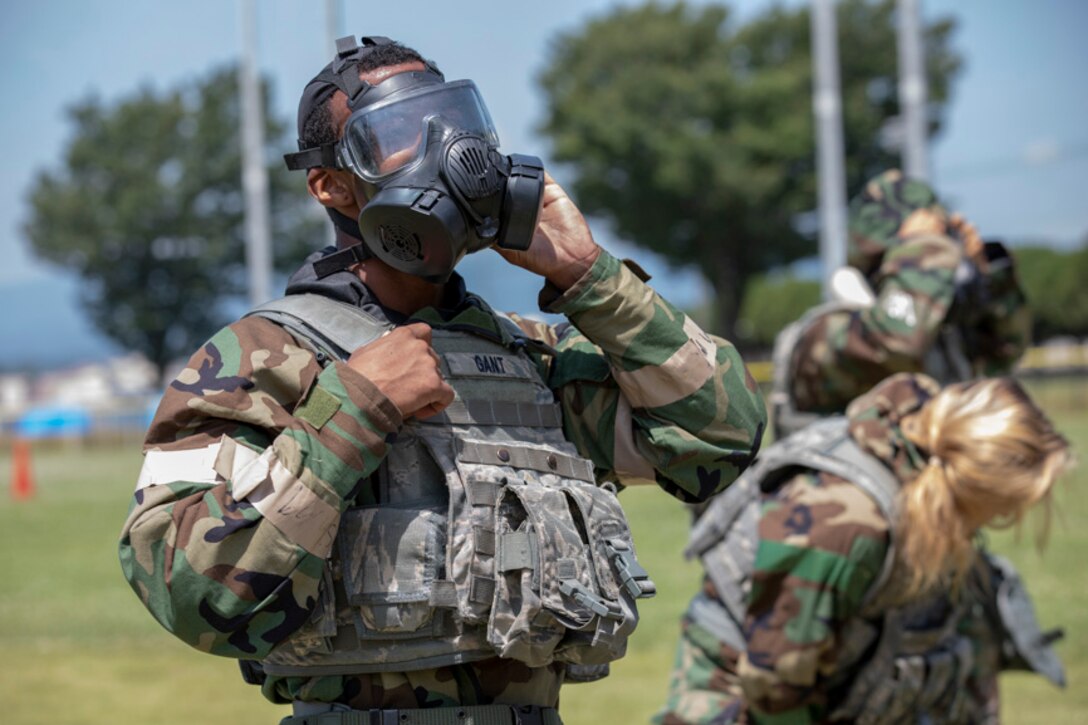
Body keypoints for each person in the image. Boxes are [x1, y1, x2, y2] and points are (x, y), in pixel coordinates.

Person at [118, 35, 767, 725]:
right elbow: (191, 592)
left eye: (457, 120)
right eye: (400, 132)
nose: (451, 149)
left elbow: (719, 438)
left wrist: (589, 275)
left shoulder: (533, 358)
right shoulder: (261, 357)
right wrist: (352, 413)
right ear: (332, 184)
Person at [655, 372, 1071, 724]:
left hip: (834, 683)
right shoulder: (846, 520)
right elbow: (774, 684)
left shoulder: (927, 483)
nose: (1012, 515)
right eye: (1011, 503)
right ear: (979, 483)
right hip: (742, 695)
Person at [770, 169, 1031, 437]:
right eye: (935, 256)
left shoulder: (940, 334)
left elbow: (1007, 351)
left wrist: (989, 280)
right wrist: (926, 249)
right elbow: (896, 343)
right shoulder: (829, 332)